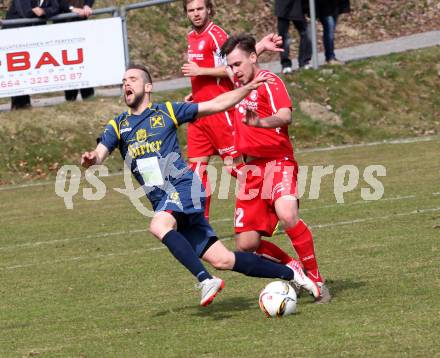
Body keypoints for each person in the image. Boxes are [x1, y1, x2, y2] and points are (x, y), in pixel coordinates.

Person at [80, 64, 320, 307]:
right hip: (165, 200)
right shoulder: (119, 125)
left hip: (183, 187)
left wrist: (245, 89)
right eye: (123, 81)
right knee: (223, 259)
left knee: (158, 225)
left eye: (132, 79)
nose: (126, 84)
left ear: (148, 87)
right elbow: (100, 154)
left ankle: (205, 279)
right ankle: (293, 274)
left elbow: (216, 104)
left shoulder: (167, 112)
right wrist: (92, 159)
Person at [220, 34, 331, 303]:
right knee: (246, 246)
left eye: (237, 64)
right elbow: (236, 66)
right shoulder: (239, 82)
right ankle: (293, 267)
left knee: (287, 212)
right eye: (231, 66)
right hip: (251, 171)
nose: (234, 71)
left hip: (277, 160)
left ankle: (316, 279)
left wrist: (260, 123)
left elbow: (285, 115)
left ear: (253, 59)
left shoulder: (271, 81)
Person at [181, 0, 283, 220]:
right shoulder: (191, 37)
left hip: (220, 110)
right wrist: (196, 93)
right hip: (199, 112)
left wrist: (201, 71)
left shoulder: (216, 34)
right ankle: (202, 224)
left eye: (200, 9)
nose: (196, 14)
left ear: (209, 9)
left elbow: (231, 67)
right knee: (196, 171)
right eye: (191, 10)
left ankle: (274, 201)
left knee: (233, 167)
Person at [4, 0, 60, 110]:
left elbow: (56, 8)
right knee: (17, 71)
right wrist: (37, 12)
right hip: (14, 36)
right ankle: (18, 105)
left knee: (27, 71)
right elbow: (25, 13)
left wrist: (43, 11)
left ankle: (25, 104)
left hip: (31, 37)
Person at [57, 0, 95, 101]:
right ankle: (70, 99)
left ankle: (89, 97)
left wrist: (87, 5)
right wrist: (72, 9)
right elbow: (56, 3)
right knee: (69, 64)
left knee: (84, 63)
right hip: (63, 25)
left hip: (81, 24)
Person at [275, 0, 312, 73]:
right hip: (283, 8)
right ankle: (286, 65)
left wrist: (306, 8)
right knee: (283, 36)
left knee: (306, 32)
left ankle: (304, 62)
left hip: (297, 7)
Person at [314, 0, 351, 64]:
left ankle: (329, 57)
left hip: (334, 7)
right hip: (324, 8)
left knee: (329, 32)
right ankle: (330, 58)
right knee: (329, 32)